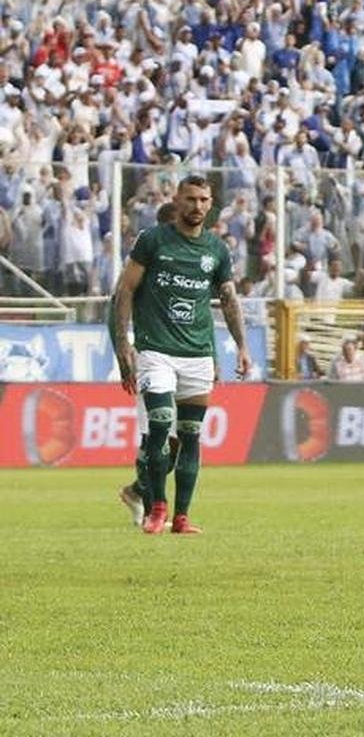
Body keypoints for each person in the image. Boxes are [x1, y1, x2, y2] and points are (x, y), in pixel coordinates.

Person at [113, 177, 252, 535]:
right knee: (160, 423)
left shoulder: (217, 250)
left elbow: (228, 299)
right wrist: (123, 345)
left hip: (198, 354)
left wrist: (241, 346)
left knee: (189, 434)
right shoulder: (153, 241)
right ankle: (156, 506)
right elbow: (124, 291)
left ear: (211, 203)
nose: (197, 206)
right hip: (156, 351)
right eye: (190, 199)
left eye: (204, 199)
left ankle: (182, 517)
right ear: (177, 201)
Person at [114, 202, 178, 527]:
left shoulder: (181, 262)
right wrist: (122, 348)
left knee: (176, 441)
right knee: (154, 433)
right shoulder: (143, 260)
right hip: (150, 355)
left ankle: (137, 491)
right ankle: (153, 509)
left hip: (181, 355)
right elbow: (118, 299)